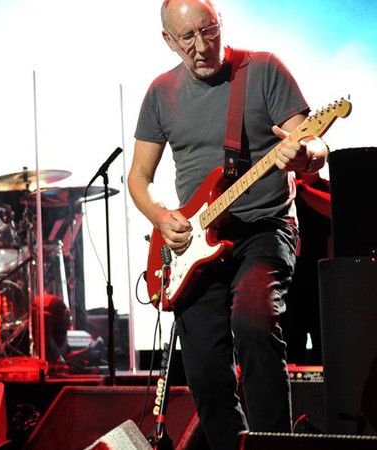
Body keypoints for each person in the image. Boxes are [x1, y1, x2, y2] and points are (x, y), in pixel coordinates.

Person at [127, 1, 328, 449]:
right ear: (168, 41)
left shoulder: (262, 70)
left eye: (209, 31)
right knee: (202, 365)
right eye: (187, 38)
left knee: (255, 322)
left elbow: (313, 144)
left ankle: (273, 442)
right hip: (196, 241)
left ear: (221, 25)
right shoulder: (161, 92)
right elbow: (138, 178)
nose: (202, 47)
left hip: (265, 226)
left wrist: (303, 155)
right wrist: (163, 217)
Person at [282, 170, 330, 365]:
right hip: (290, 283)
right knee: (290, 350)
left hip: (321, 284)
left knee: (325, 349)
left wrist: (301, 188)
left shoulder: (325, 187)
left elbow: (336, 209)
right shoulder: (284, 193)